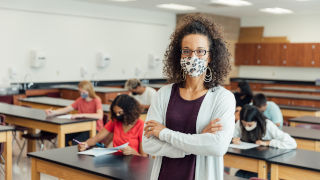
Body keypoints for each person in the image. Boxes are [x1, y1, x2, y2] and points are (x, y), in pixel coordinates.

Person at [142, 15, 235, 180]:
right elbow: (148, 144)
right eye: (187, 51)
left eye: (200, 51)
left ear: (210, 56)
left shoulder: (223, 98)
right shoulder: (163, 94)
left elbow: (217, 147)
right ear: (179, 55)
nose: (193, 57)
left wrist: (164, 133)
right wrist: (198, 141)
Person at [232, 104, 296, 178]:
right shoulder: (240, 123)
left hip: (267, 165)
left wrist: (268, 143)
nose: (246, 127)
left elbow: (292, 143)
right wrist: (233, 139)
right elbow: (232, 135)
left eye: (249, 125)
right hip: (249, 162)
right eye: (244, 124)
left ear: (257, 120)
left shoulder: (268, 125)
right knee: (239, 175)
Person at [78, 94, 147, 157]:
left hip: (133, 164)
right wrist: (85, 144)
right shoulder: (115, 121)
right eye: (115, 113)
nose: (117, 115)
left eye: (120, 112)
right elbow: (96, 138)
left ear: (129, 111)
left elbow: (144, 157)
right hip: (116, 161)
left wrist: (133, 152)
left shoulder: (141, 125)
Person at [45, 80, 104, 146]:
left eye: (83, 92)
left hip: (94, 129)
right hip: (82, 127)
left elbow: (99, 116)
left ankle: (77, 155)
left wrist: (82, 115)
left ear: (89, 90)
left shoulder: (96, 100)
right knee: (64, 136)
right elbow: (67, 109)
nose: (82, 94)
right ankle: (67, 154)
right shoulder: (80, 100)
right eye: (80, 92)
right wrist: (53, 112)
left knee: (76, 142)